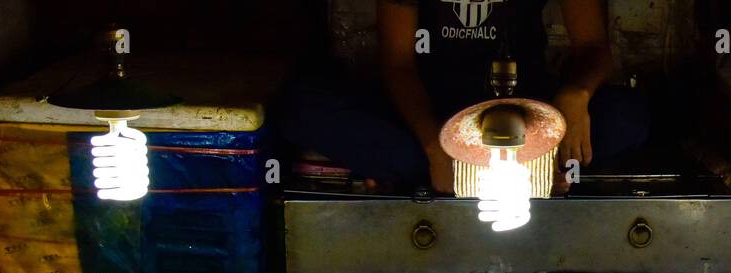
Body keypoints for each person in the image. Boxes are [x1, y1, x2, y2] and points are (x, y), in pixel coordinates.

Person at [278, 0, 648, 193]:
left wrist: (574, 97)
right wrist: (434, 147)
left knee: (628, 117)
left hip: (530, 117)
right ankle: (447, 172)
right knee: (303, 108)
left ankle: (528, 167)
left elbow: (594, 47)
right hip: (434, 116)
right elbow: (397, 64)